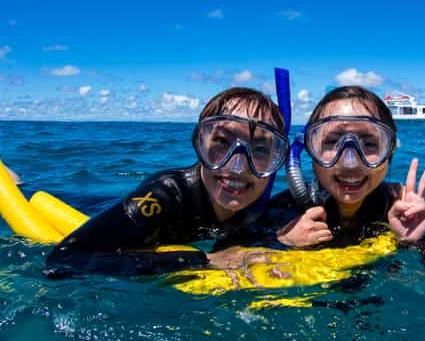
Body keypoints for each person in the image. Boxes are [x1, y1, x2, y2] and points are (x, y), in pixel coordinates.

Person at [45, 87, 289, 278]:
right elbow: (65, 258)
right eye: (222, 142)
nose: (238, 166)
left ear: (276, 159)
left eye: (259, 149)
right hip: (92, 208)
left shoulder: (259, 207)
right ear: (199, 144)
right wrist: (201, 261)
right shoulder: (164, 196)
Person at [275, 86, 425, 248]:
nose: (350, 162)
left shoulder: (400, 209)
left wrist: (414, 242)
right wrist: (284, 245)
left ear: (390, 151)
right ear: (311, 150)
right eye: (331, 142)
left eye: (369, 143)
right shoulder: (282, 214)